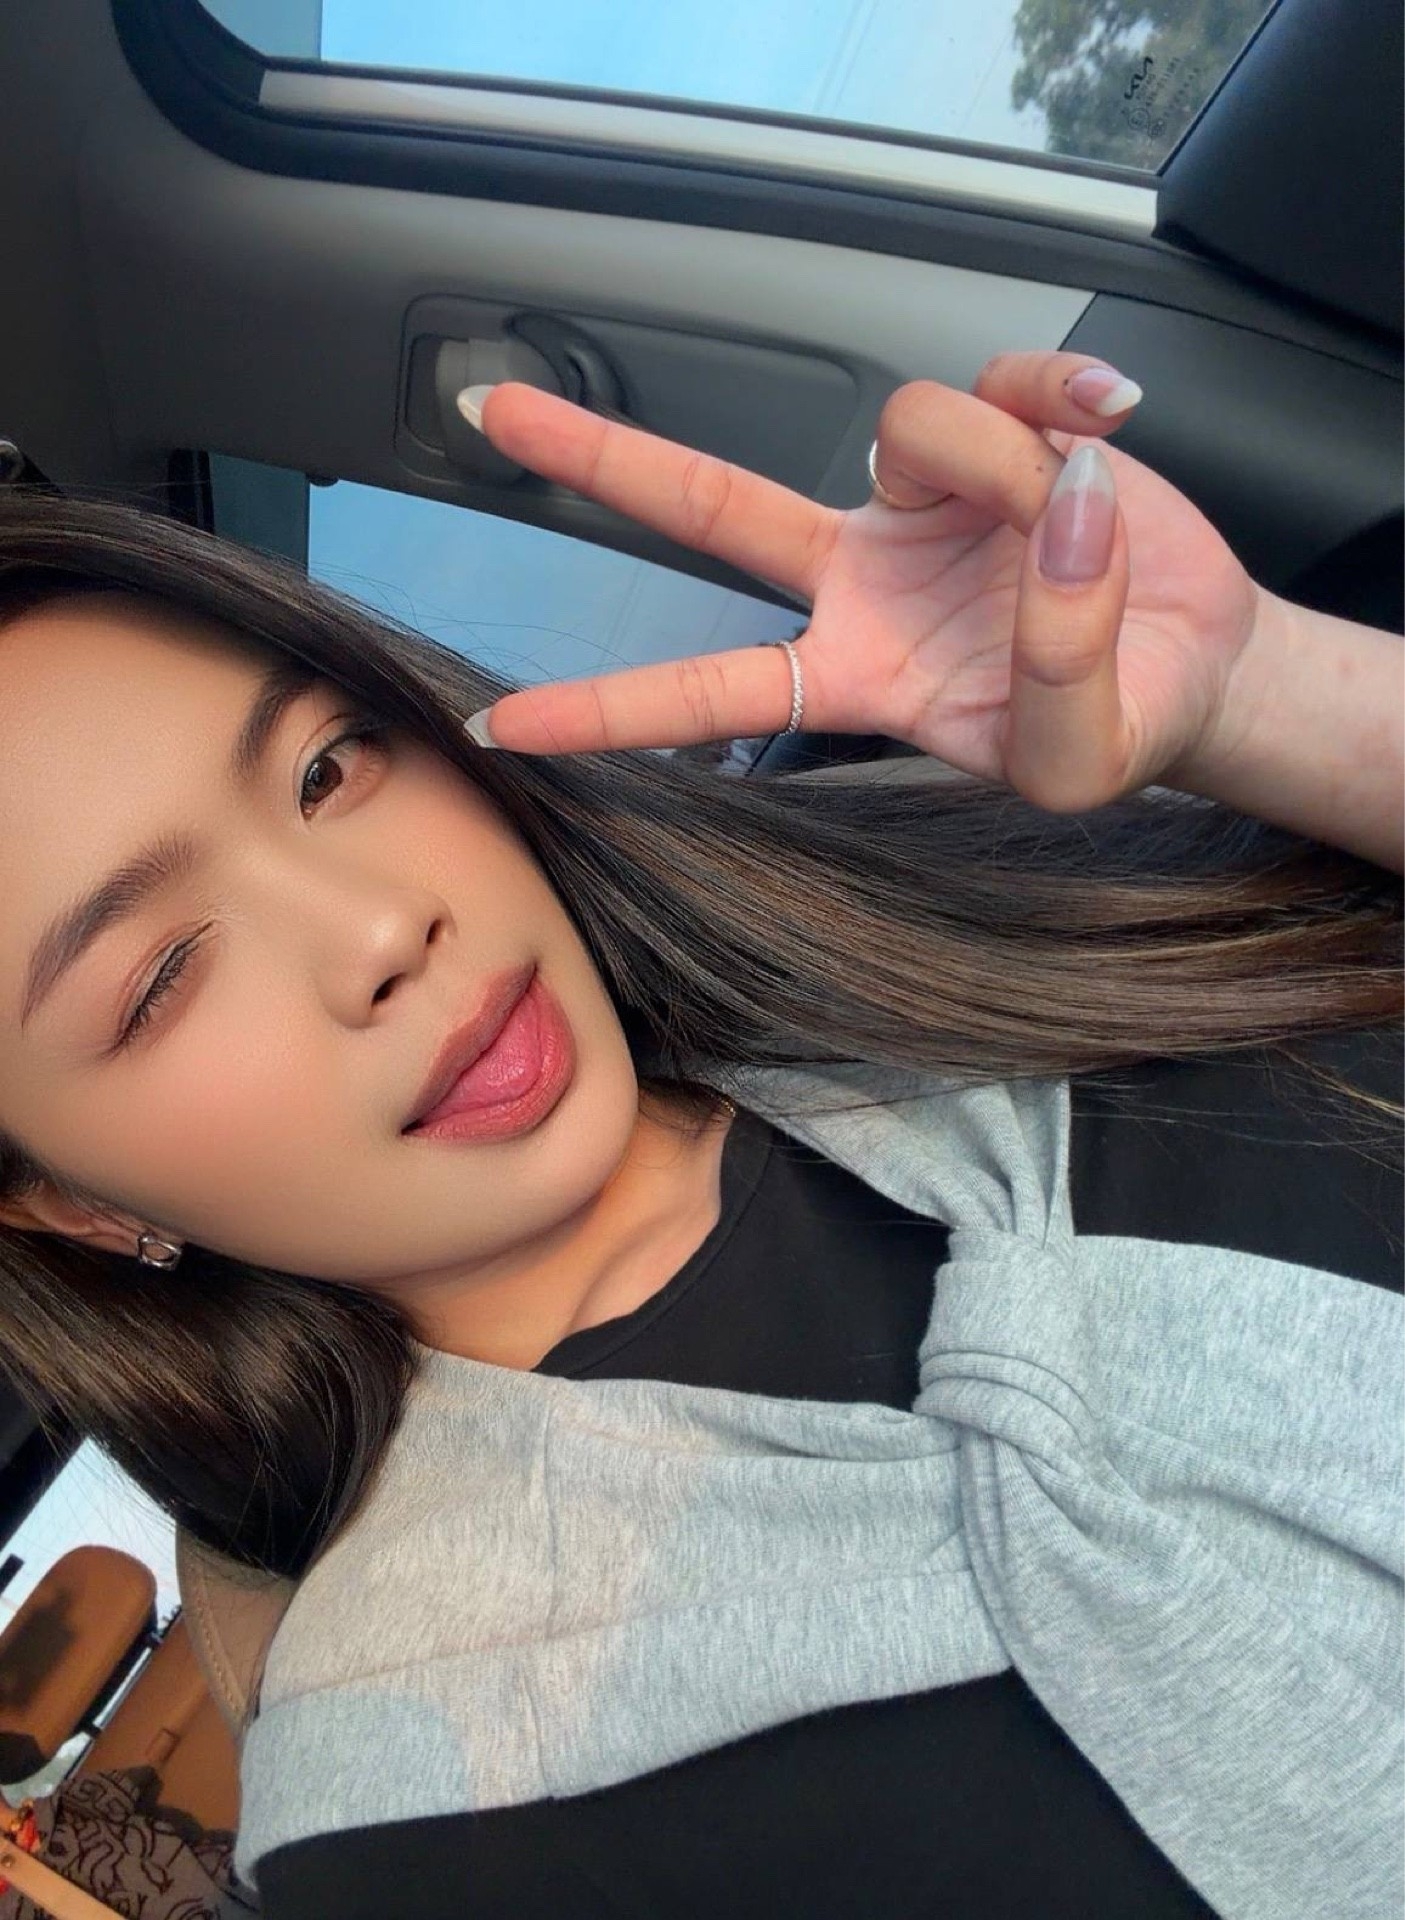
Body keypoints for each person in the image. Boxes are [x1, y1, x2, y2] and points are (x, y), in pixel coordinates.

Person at [0, 349, 1397, 1920]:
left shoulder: (935, 885)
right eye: (161, 978)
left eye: (327, 769)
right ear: (68, 1202)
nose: (381, 924)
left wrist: (1264, 695)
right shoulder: (428, 1824)